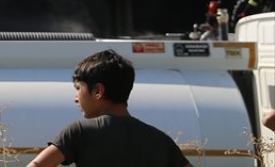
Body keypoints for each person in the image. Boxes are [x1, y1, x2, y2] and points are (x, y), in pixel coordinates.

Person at [25, 49, 193, 167]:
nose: (75, 98)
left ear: (98, 91)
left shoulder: (79, 132)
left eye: (78, 89)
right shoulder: (159, 139)